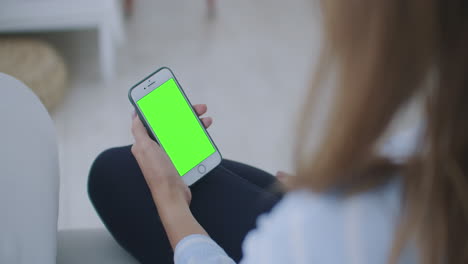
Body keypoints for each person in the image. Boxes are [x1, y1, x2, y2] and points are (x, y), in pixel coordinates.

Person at [88, 0, 468, 263]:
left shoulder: (337, 229)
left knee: (114, 172)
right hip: (349, 216)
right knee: (208, 172)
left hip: (330, 235)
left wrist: (171, 202)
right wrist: (330, 188)